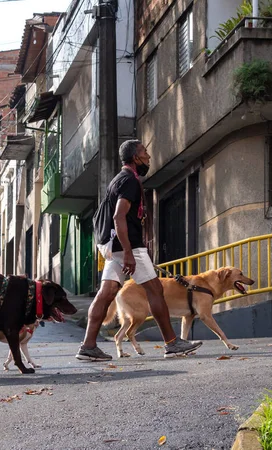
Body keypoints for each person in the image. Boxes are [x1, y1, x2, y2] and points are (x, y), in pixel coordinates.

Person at [76, 140, 203, 361]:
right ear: (135, 157)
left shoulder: (118, 180)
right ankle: (172, 343)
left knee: (105, 294)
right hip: (128, 245)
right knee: (155, 290)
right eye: (144, 152)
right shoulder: (129, 181)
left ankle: (87, 346)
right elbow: (118, 216)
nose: (148, 157)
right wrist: (127, 251)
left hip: (111, 244)